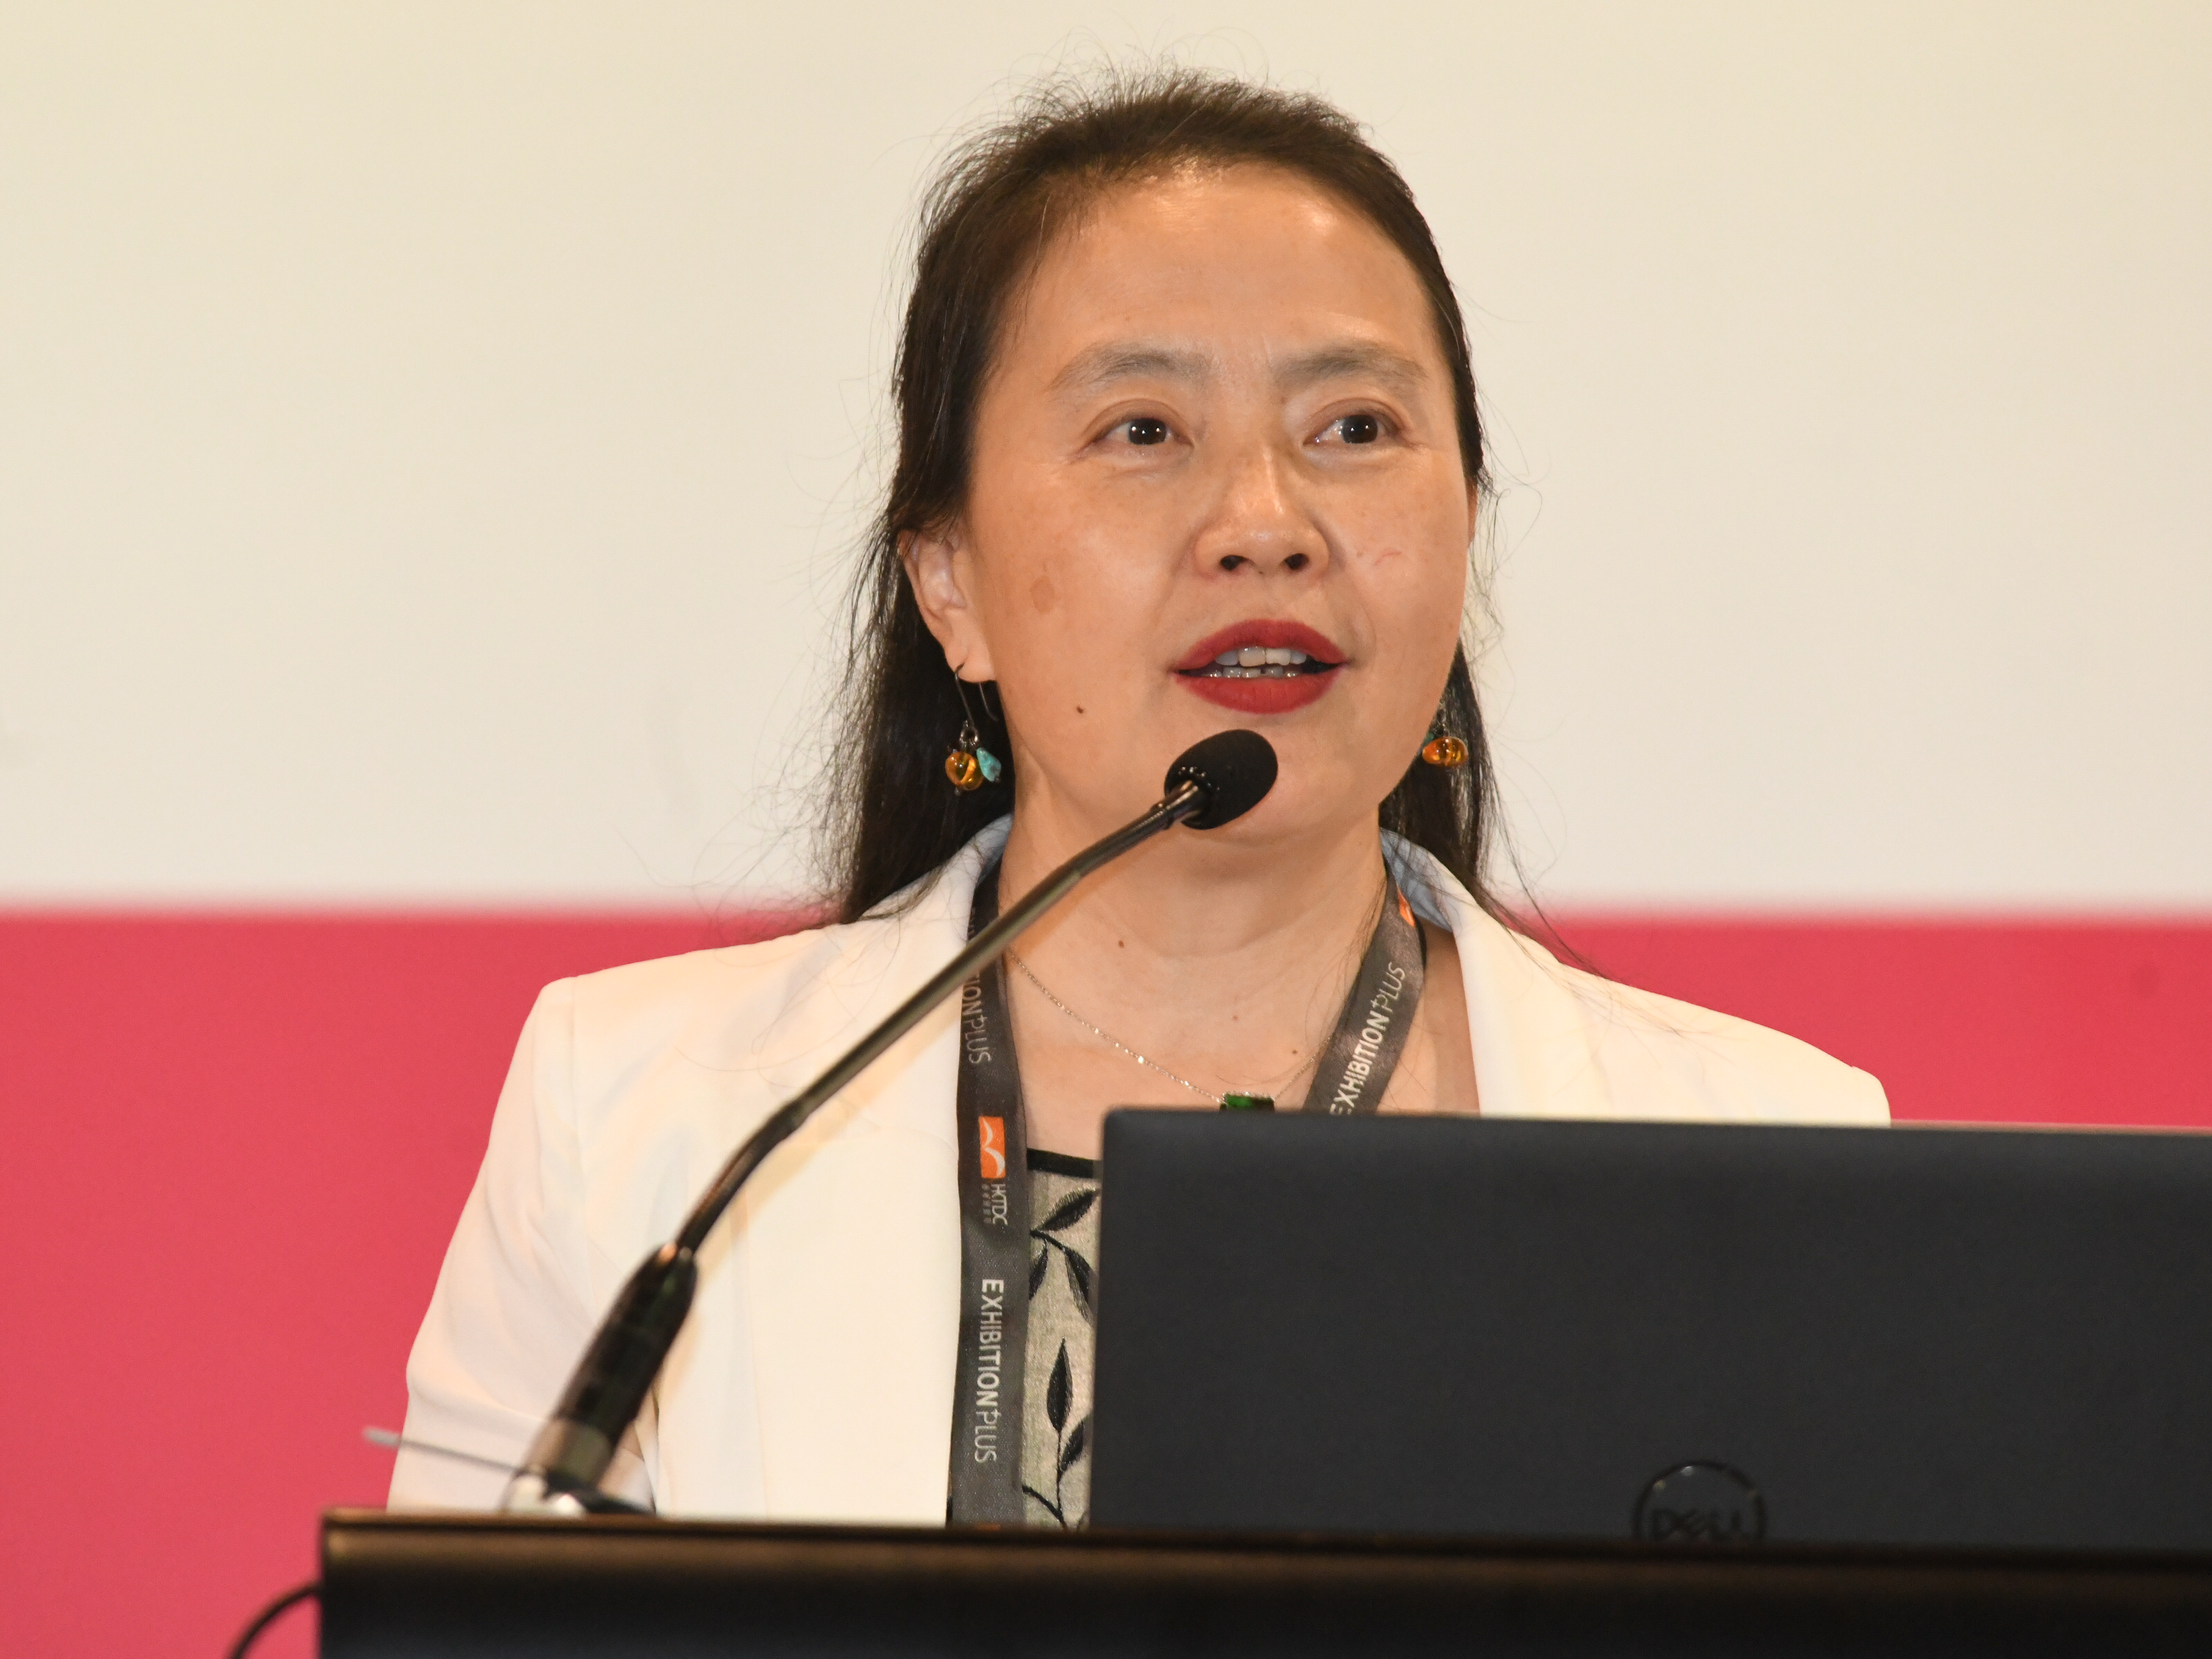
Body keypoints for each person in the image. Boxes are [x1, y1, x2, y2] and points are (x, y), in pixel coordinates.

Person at [391, 68, 1886, 1528]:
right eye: (1144, 431)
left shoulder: (1769, 1157)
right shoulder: (644, 1125)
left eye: (1355, 428)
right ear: (949, 583)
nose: (1264, 523)